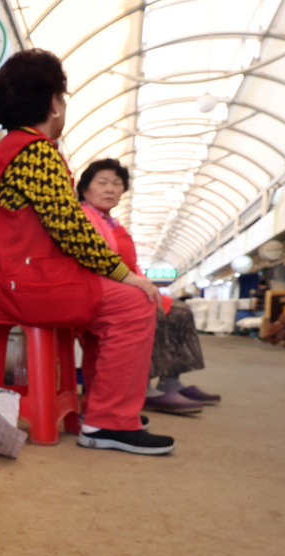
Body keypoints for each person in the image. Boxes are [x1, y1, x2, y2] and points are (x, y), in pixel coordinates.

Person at [0, 49, 172, 455]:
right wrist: (126, 274)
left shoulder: (12, 148)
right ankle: (107, 421)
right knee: (133, 302)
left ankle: (102, 410)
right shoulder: (36, 151)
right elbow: (70, 228)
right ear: (55, 103)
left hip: (0, 280)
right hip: (18, 285)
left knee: (116, 300)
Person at [76, 158, 220, 414]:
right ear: (85, 188)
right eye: (103, 182)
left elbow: (132, 265)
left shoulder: (112, 222)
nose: (110, 189)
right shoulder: (83, 217)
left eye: (117, 183)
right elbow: (95, 261)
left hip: (121, 283)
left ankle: (170, 379)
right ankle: (142, 385)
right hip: (100, 288)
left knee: (179, 311)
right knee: (153, 308)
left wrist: (143, 282)